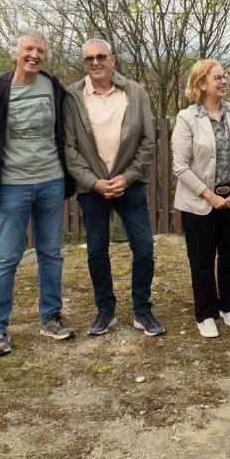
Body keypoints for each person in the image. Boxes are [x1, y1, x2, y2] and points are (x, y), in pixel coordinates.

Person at [0, 26, 76, 357]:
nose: (34, 55)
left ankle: (51, 318)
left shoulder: (53, 88)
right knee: (6, 258)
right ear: (15, 53)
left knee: (51, 253)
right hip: (12, 187)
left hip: (51, 183)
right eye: (29, 49)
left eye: (40, 51)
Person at [63, 38, 165, 337]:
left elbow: (148, 143)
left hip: (129, 185)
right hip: (92, 188)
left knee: (144, 247)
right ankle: (105, 310)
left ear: (113, 59)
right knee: (96, 250)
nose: (95, 62)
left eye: (101, 57)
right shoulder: (72, 96)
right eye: (88, 59)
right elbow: (68, 147)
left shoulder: (135, 92)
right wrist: (94, 181)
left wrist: (128, 176)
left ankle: (142, 310)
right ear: (83, 63)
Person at [172, 60, 230, 338]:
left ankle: (227, 305)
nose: (223, 81)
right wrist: (210, 196)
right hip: (199, 203)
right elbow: (180, 166)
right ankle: (205, 312)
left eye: (225, 76)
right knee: (202, 260)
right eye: (217, 77)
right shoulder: (187, 118)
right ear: (201, 84)